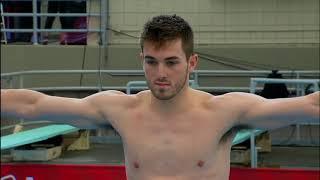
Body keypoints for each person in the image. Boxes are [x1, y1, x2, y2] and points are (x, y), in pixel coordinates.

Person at [1, 15, 319, 180]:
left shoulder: (225, 111)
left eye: (171, 62)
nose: (160, 74)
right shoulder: (120, 109)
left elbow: (309, 105)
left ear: (191, 63)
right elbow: (33, 104)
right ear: (141, 58)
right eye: (151, 62)